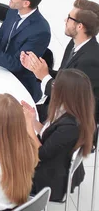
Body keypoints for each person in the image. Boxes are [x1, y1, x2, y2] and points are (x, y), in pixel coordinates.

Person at [21, 0, 99, 122]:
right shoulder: (73, 44)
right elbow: (66, 78)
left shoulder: (90, 60)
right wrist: (38, 68)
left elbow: (70, 98)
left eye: (69, 18)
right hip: (53, 109)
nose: (65, 20)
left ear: (80, 26)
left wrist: (45, 76)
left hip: (68, 122)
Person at [22, 69, 95, 201]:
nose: (53, 86)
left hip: (47, 179)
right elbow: (48, 134)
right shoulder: (69, 111)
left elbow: (41, 154)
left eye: (56, 85)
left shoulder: (70, 127)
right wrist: (33, 120)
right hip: (54, 162)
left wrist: (29, 127)